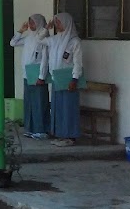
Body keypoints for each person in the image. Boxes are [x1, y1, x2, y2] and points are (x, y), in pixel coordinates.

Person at [38, 13, 84, 146]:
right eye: (56, 23)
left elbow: (77, 62)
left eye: (59, 22)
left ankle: (70, 136)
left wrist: (74, 79)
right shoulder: (54, 39)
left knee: (68, 107)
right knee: (58, 108)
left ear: (66, 23)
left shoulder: (74, 41)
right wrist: (47, 28)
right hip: (56, 79)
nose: (57, 25)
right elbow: (40, 39)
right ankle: (60, 134)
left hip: (68, 80)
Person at [10, 14, 50, 139]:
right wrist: (21, 30)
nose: (30, 25)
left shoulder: (43, 39)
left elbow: (45, 59)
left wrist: (42, 76)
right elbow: (13, 43)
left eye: (32, 23)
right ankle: (30, 128)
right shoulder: (29, 37)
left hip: (38, 75)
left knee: (39, 102)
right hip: (28, 74)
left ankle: (41, 129)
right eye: (29, 23)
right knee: (29, 102)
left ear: (39, 24)